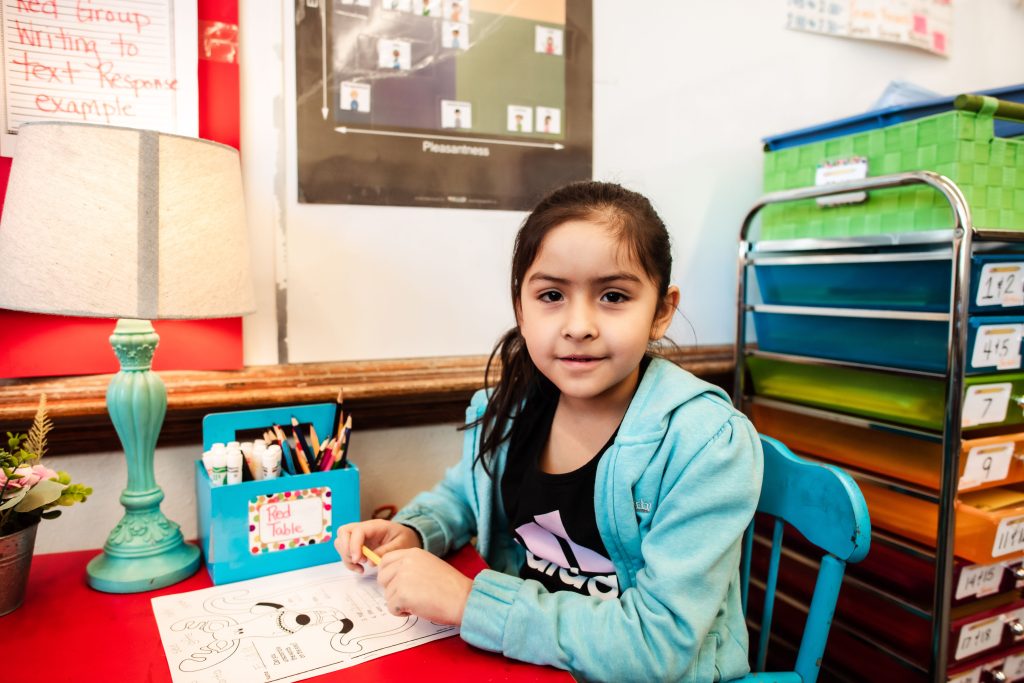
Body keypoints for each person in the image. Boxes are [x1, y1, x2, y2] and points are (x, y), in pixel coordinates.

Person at [336, 181, 763, 682]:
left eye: (613, 295)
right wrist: (415, 530)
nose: (578, 325)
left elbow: (657, 646)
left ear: (661, 311)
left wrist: (471, 602)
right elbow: (464, 495)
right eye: (552, 295)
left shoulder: (706, 445)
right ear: (521, 308)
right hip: (532, 660)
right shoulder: (513, 408)